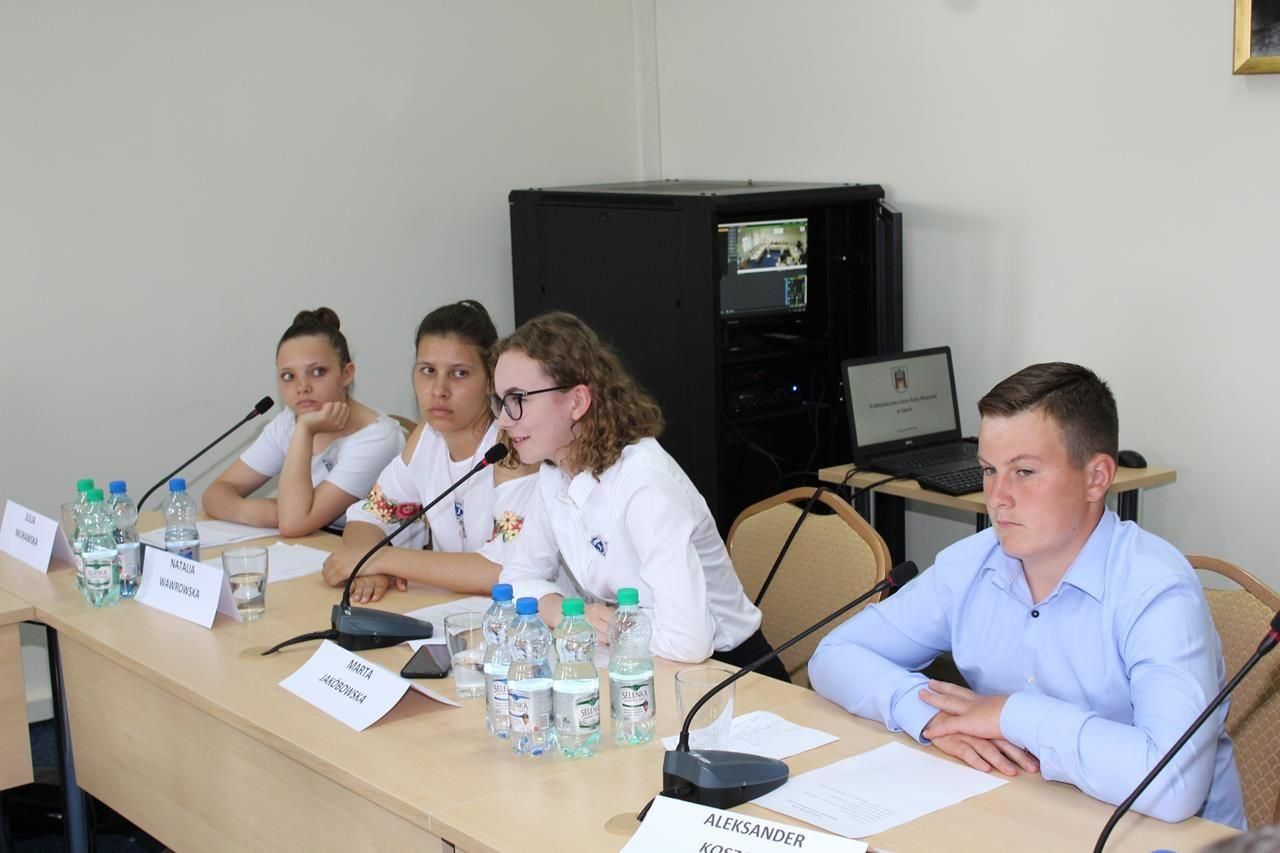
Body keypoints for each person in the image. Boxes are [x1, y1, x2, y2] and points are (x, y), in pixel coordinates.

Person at [809, 363, 1245, 828]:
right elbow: (834, 654)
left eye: (1024, 471)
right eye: (989, 470)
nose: (998, 497)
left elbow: (1172, 787)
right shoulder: (971, 565)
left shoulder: (1158, 592)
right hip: (1020, 816)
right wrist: (925, 714)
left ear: (1097, 477)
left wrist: (1009, 714)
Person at [489, 311, 787, 679]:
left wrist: (611, 625)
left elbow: (689, 641)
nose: (504, 420)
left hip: (731, 675)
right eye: (500, 402)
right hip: (640, 661)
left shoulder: (642, 480)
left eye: (517, 399)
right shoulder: (554, 472)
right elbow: (515, 578)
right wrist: (569, 613)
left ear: (577, 401)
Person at [320, 300, 538, 602]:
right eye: (428, 370)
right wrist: (369, 566)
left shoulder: (512, 442)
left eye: (459, 373)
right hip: (454, 611)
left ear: (491, 380)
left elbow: (503, 569)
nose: (438, 390)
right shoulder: (428, 437)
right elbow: (369, 517)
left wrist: (379, 560)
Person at [203, 308, 404, 538]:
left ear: (347, 374)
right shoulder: (288, 422)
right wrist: (269, 513)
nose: (302, 387)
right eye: (288, 376)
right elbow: (215, 494)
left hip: (371, 552)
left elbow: (293, 523)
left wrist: (305, 431)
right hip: (314, 545)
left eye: (317, 372)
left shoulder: (378, 437)